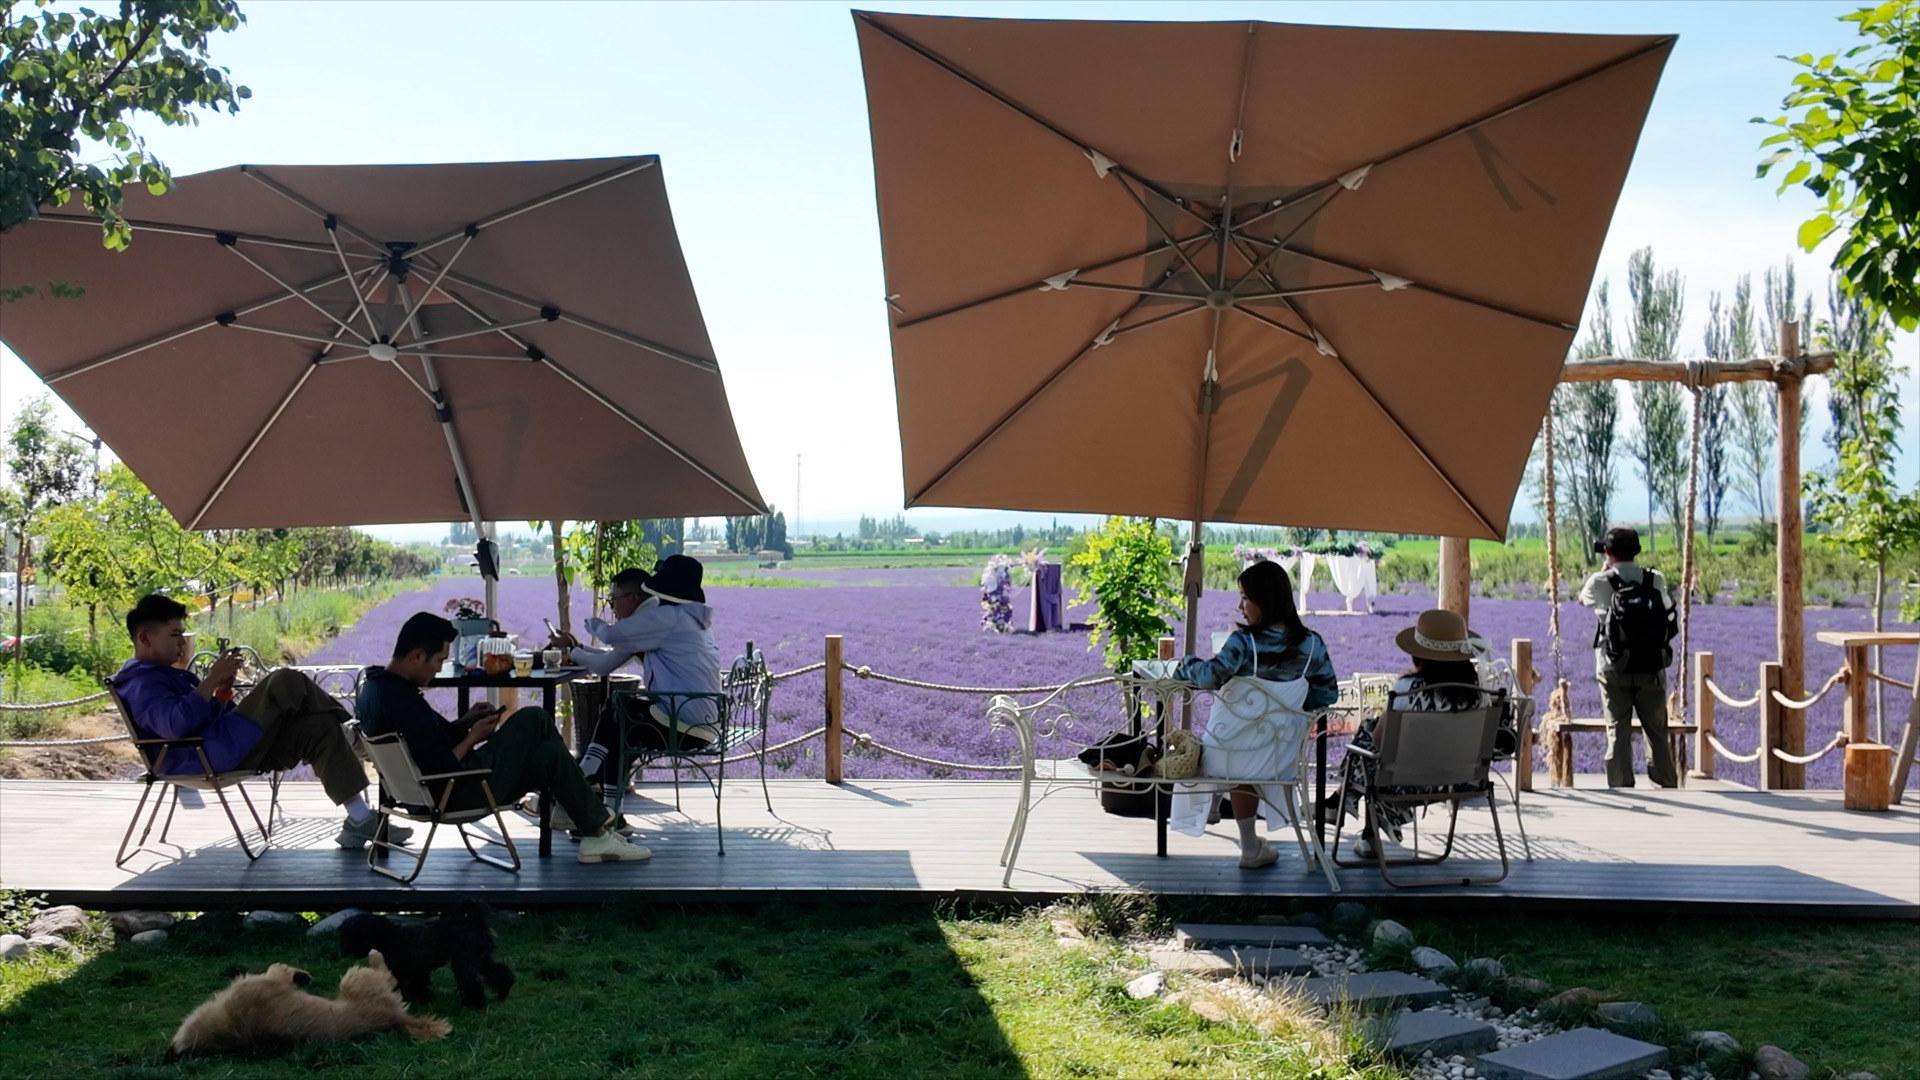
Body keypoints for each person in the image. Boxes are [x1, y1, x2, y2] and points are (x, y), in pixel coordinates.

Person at [110, 593, 402, 849]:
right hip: (206, 757)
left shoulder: (162, 675)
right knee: (283, 680)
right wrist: (210, 680)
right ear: (145, 638)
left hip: (219, 747)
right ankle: (358, 739)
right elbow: (175, 727)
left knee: (319, 727)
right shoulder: (141, 684)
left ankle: (360, 819)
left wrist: (222, 690)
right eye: (175, 634)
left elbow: (202, 717)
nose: (183, 643)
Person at [355, 612, 651, 864]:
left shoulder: (378, 690)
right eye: (438, 661)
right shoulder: (404, 700)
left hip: (423, 794)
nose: (437, 670)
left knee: (548, 755)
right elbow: (438, 766)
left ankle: (593, 833)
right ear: (417, 655)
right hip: (455, 792)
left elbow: (427, 742)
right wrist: (473, 736)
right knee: (534, 718)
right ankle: (586, 819)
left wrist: (465, 722)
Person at [1169, 560, 1339, 869]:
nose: (1239, 605)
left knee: (1235, 752)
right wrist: (1287, 709)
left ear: (1266, 599)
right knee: (1247, 755)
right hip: (1279, 757)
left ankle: (1238, 834)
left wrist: (1186, 664)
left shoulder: (1243, 643)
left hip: (1225, 755)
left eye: (1246, 597)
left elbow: (1208, 677)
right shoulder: (1313, 644)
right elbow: (1327, 695)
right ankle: (1247, 844)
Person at [549, 555, 722, 809]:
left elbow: (611, 637)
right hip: (700, 719)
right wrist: (575, 648)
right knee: (620, 727)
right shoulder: (685, 619)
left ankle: (587, 774)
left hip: (686, 723)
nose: (613, 607)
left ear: (632, 598)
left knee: (620, 709)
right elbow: (607, 662)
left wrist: (589, 629)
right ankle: (607, 811)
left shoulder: (666, 618)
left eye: (613, 600)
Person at [1331, 608, 1499, 859]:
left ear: (1418, 655)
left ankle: (1358, 821)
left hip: (1405, 783)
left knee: (1369, 734)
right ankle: (1344, 807)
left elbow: (1378, 742)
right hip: (1464, 780)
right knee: (1373, 734)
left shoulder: (1406, 690)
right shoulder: (1482, 696)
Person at [1578, 526, 1679, 789]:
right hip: (1652, 666)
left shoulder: (1599, 582)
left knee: (1618, 732)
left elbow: (1581, 600)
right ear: (1637, 551)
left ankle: (1622, 788)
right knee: (1656, 732)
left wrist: (1603, 573)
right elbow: (1668, 609)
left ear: (1608, 552)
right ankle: (1667, 787)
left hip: (1612, 666)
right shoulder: (1654, 579)